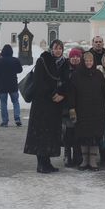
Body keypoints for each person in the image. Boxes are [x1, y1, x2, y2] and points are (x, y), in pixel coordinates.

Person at [23, 39, 68, 173]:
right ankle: (41, 164)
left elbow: (66, 81)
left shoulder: (64, 63)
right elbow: (39, 82)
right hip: (42, 104)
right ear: (51, 49)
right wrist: (52, 94)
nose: (58, 50)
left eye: (60, 48)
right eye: (55, 48)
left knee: (51, 134)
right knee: (41, 134)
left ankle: (47, 162)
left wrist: (62, 94)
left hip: (55, 105)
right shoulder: (43, 60)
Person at [69, 51, 105, 171]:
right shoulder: (76, 75)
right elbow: (72, 93)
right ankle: (84, 161)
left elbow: (104, 92)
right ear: (83, 61)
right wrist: (72, 108)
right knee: (84, 137)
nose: (88, 63)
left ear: (94, 62)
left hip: (97, 111)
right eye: (86, 61)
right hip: (82, 111)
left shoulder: (98, 74)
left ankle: (93, 161)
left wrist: (103, 106)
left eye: (90, 61)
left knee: (94, 137)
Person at [0, 44, 23, 127]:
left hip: (2, 85)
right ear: (11, 52)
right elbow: (20, 70)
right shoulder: (15, 60)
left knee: (3, 103)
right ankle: (17, 119)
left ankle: (5, 121)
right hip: (13, 84)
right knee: (16, 102)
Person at [62, 48, 83, 167]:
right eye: (73, 57)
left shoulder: (82, 70)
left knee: (77, 132)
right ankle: (67, 154)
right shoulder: (65, 70)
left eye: (77, 56)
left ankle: (77, 154)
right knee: (68, 132)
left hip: (80, 106)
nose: (75, 59)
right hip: (67, 106)